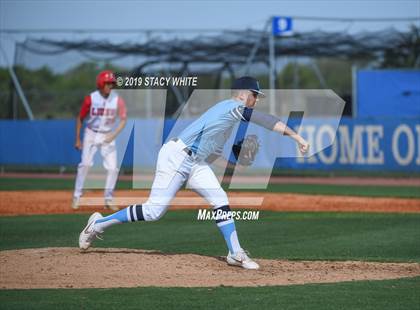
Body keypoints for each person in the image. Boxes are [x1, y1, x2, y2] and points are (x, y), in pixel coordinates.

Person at [79, 76, 309, 270]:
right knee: (153, 212)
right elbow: (266, 120)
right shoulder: (233, 107)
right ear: (242, 93)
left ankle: (235, 253)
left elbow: (210, 156)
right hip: (176, 157)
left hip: (195, 161)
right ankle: (98, 224)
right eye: (255, 94)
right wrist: (297, 137)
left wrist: (235, 167)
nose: (256, 99)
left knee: (220, 198)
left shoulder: (227, 119)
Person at [72, 70, 127, 211]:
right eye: (108, 83)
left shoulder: (117, 99)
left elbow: (123, 119)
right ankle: (77, 196)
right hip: (91, 133)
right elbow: (80, 118)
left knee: (113, 168)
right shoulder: (91, 98)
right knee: (85, 165)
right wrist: (78, 138)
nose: (110, 85)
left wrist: (113, 135)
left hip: (108, 134)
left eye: (112, 83)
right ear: (101, 83)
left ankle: (108, 199)